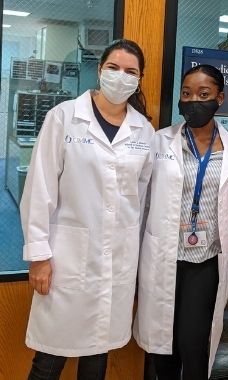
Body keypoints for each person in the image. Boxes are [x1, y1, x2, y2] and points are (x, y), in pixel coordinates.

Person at [20, 39, 155, 380]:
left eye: (130, 71)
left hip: (117, 262)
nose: (121, 77)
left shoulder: (144, 131)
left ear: (139, 79)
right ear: (99, 70)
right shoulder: (64, 117)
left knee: (98, 351)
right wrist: (38, 255)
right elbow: (40, 189)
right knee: (51, 355)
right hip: (66, 258)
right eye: (114, 68)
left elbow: (140, 200)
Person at [133, 64, 228, 380]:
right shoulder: (159, 143)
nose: (193, 100)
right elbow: (139, 200)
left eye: (203, 94)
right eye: (187, 93)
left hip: (205, 260)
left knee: (193, 343)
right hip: (163, 256)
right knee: (162, 347)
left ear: (220, 98)